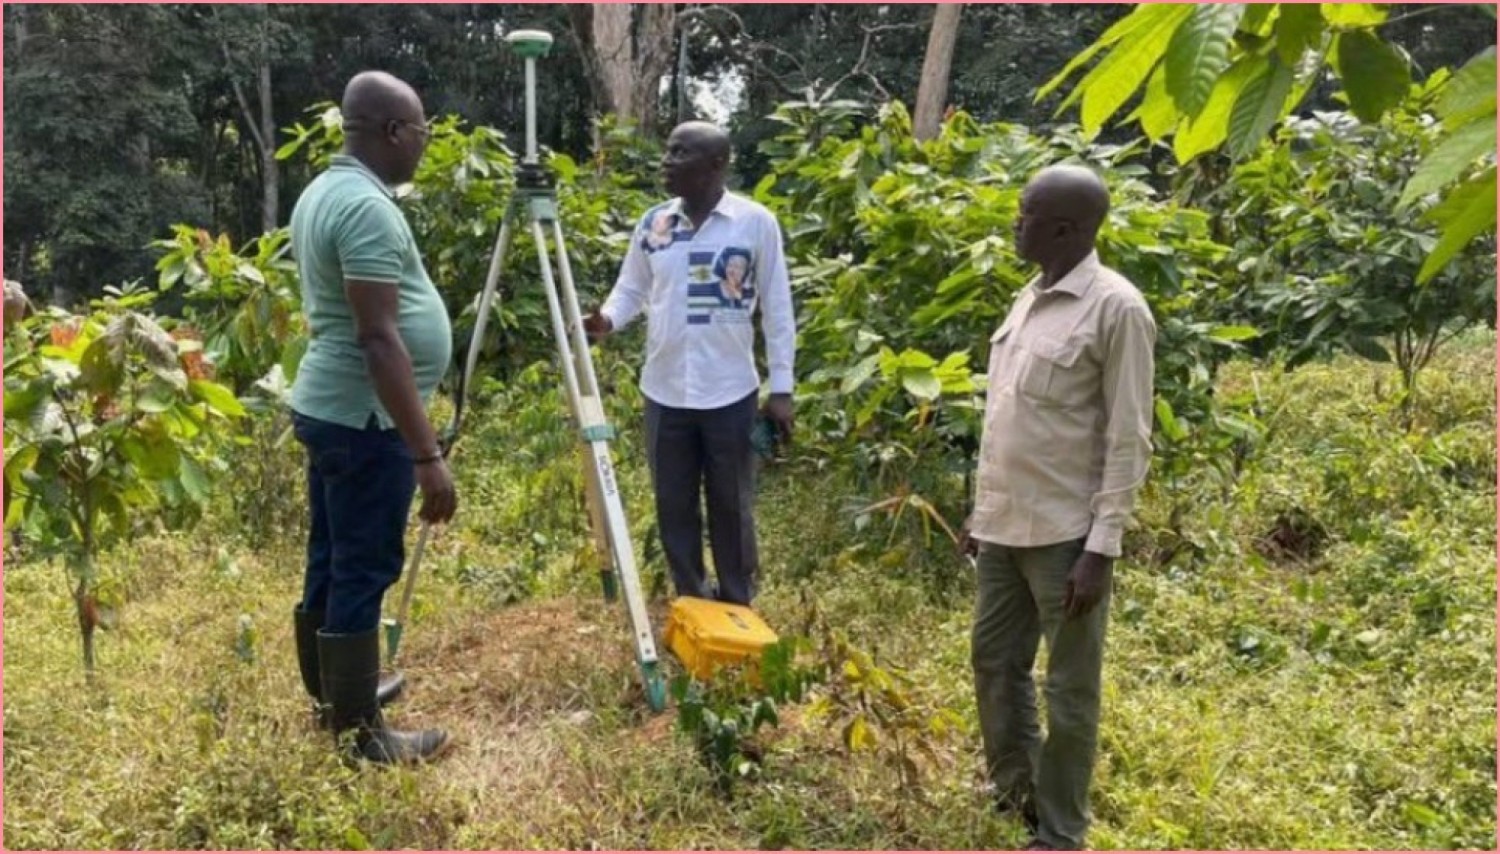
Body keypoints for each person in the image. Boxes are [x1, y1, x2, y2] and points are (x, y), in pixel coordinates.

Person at [958, 164, 1156, 850]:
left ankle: (1062, 829)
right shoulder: (1029, 299)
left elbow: (1129, 435)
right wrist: (979, 513)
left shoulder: (1117, 308)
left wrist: (1102, 547)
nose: (1016, 222)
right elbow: (1011, 422)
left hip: (1067, 537)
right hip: (1004, 527)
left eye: (1027, 213)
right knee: (993, 661)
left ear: (1067, 229)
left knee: (1069, 690)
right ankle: (1014, 791)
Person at [287, 71, 455, 764]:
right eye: (420, 131)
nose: (422, 144)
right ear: (391, 131)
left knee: (331, 556)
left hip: (334, 410)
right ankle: (360, 737)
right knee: (363, 565)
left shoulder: (326, 190)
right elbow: (378, 336)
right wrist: (427, 454)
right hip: (364, 421)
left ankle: (338, 701)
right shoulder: (365, 208)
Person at [583, 121, 796, 607]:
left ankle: (738, 603)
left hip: (730, 391)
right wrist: (607, 321)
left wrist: (781, 389)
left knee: (731, 504)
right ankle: (692, 602)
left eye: (680, 153)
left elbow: (778, 308)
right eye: (668, 150)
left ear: (715, 166)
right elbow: (632, 288)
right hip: (664, 391)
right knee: (673, 504)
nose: (667, 161)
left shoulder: (755, 222)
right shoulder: (654, 223)